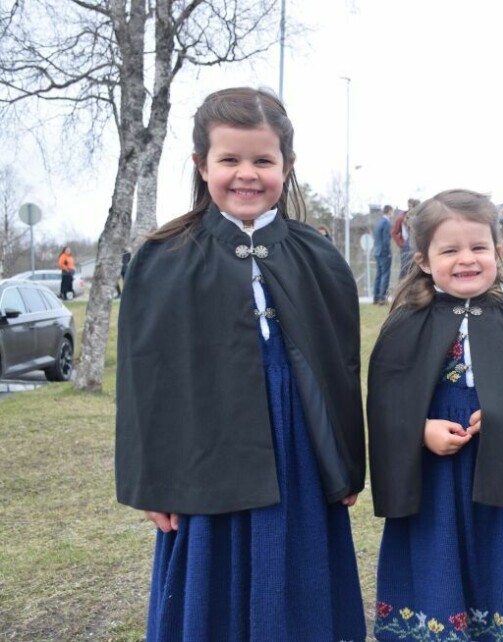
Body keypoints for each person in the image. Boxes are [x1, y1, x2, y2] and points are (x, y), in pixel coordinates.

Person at [114, 87, 367, 641]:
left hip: (297, 447)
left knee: (298, 580)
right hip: (203, 455)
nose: (246, 174)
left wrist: (346, 465)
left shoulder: (318, 255)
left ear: (287, 166)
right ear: (202, 165)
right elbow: (144, 379)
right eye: (229, 160)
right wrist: (152, 481)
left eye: (263, 160)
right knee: (214, 595)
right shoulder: (163, 257)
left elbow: (340, 370)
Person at [366, 189, 503, 642]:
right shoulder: (405, 325)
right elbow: (387, 407)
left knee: (500, 566)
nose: (466, 259)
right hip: (434, 487)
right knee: (439, 568)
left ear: (498, 252)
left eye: (478, 248)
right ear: (424, 259)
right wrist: (419, 430)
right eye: (450, 250)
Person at [373, 204, 394, 304]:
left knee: (378, 275)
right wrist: (388, 252)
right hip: (384, 252)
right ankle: (382, 297)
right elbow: (386, 239)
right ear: (389, 211)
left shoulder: (378, 222)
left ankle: (376, 297)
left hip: (377, 251)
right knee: (385, 275)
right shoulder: (386, 223)